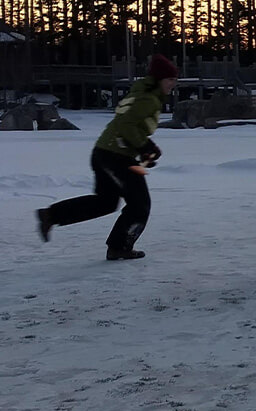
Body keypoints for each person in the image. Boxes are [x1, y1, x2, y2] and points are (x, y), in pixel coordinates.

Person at [37, 54, 178, 260]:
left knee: (106, 202)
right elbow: (126, 125)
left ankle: (51, 215)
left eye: (175, 80)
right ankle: (119, 247)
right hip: (115, 156)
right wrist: (145, 145)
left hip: (106, 153)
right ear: (159, 79)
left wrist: (145, 149)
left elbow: (128, 125)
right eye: (170, 79)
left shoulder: (146, 94)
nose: (173, 84)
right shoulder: (148, 98)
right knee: (140, 205)